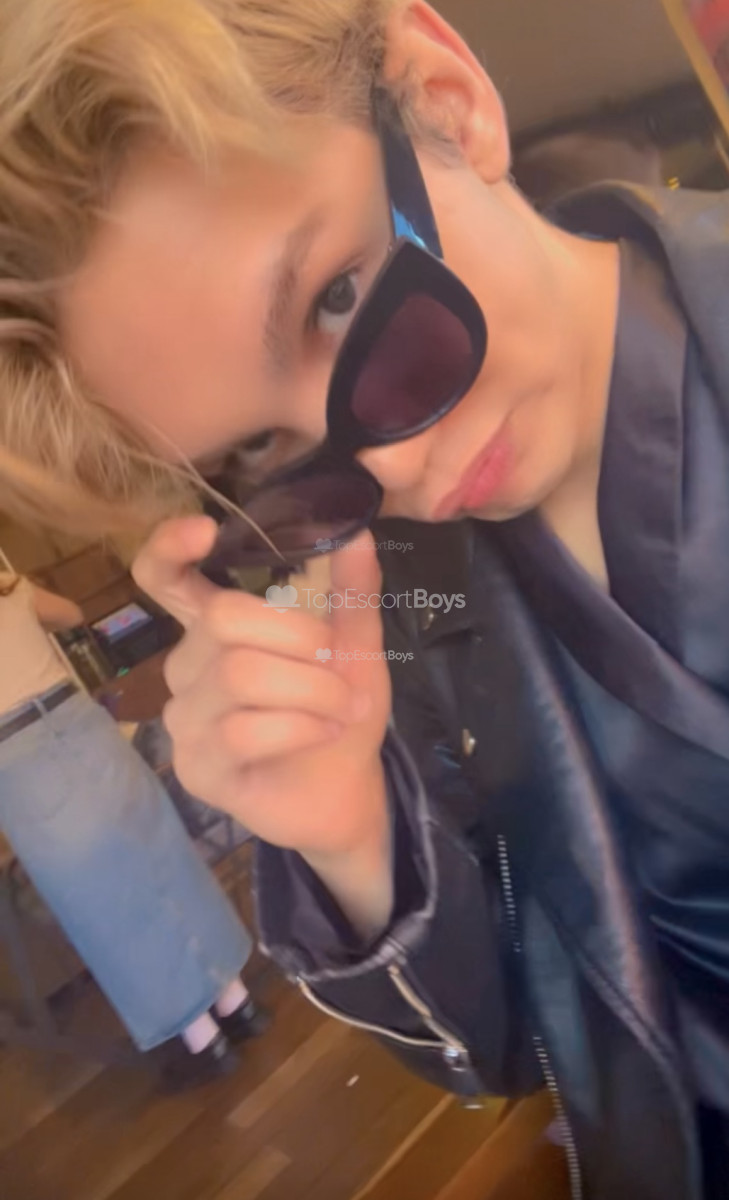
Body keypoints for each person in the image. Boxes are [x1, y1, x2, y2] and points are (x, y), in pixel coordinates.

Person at [1, 0, 729, 1193]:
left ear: (446, 95)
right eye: (263, 451)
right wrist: (353, 845)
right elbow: (518, 1052)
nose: (393, 469)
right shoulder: (395, 615)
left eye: (338, 296)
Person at [0, 569, 265, 1090]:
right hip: (78, 721)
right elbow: (72, 614)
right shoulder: (9, 587)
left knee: (105, 904)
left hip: (16, 757)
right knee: (161, 857)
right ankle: (239, 1005)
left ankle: (203, 1041)